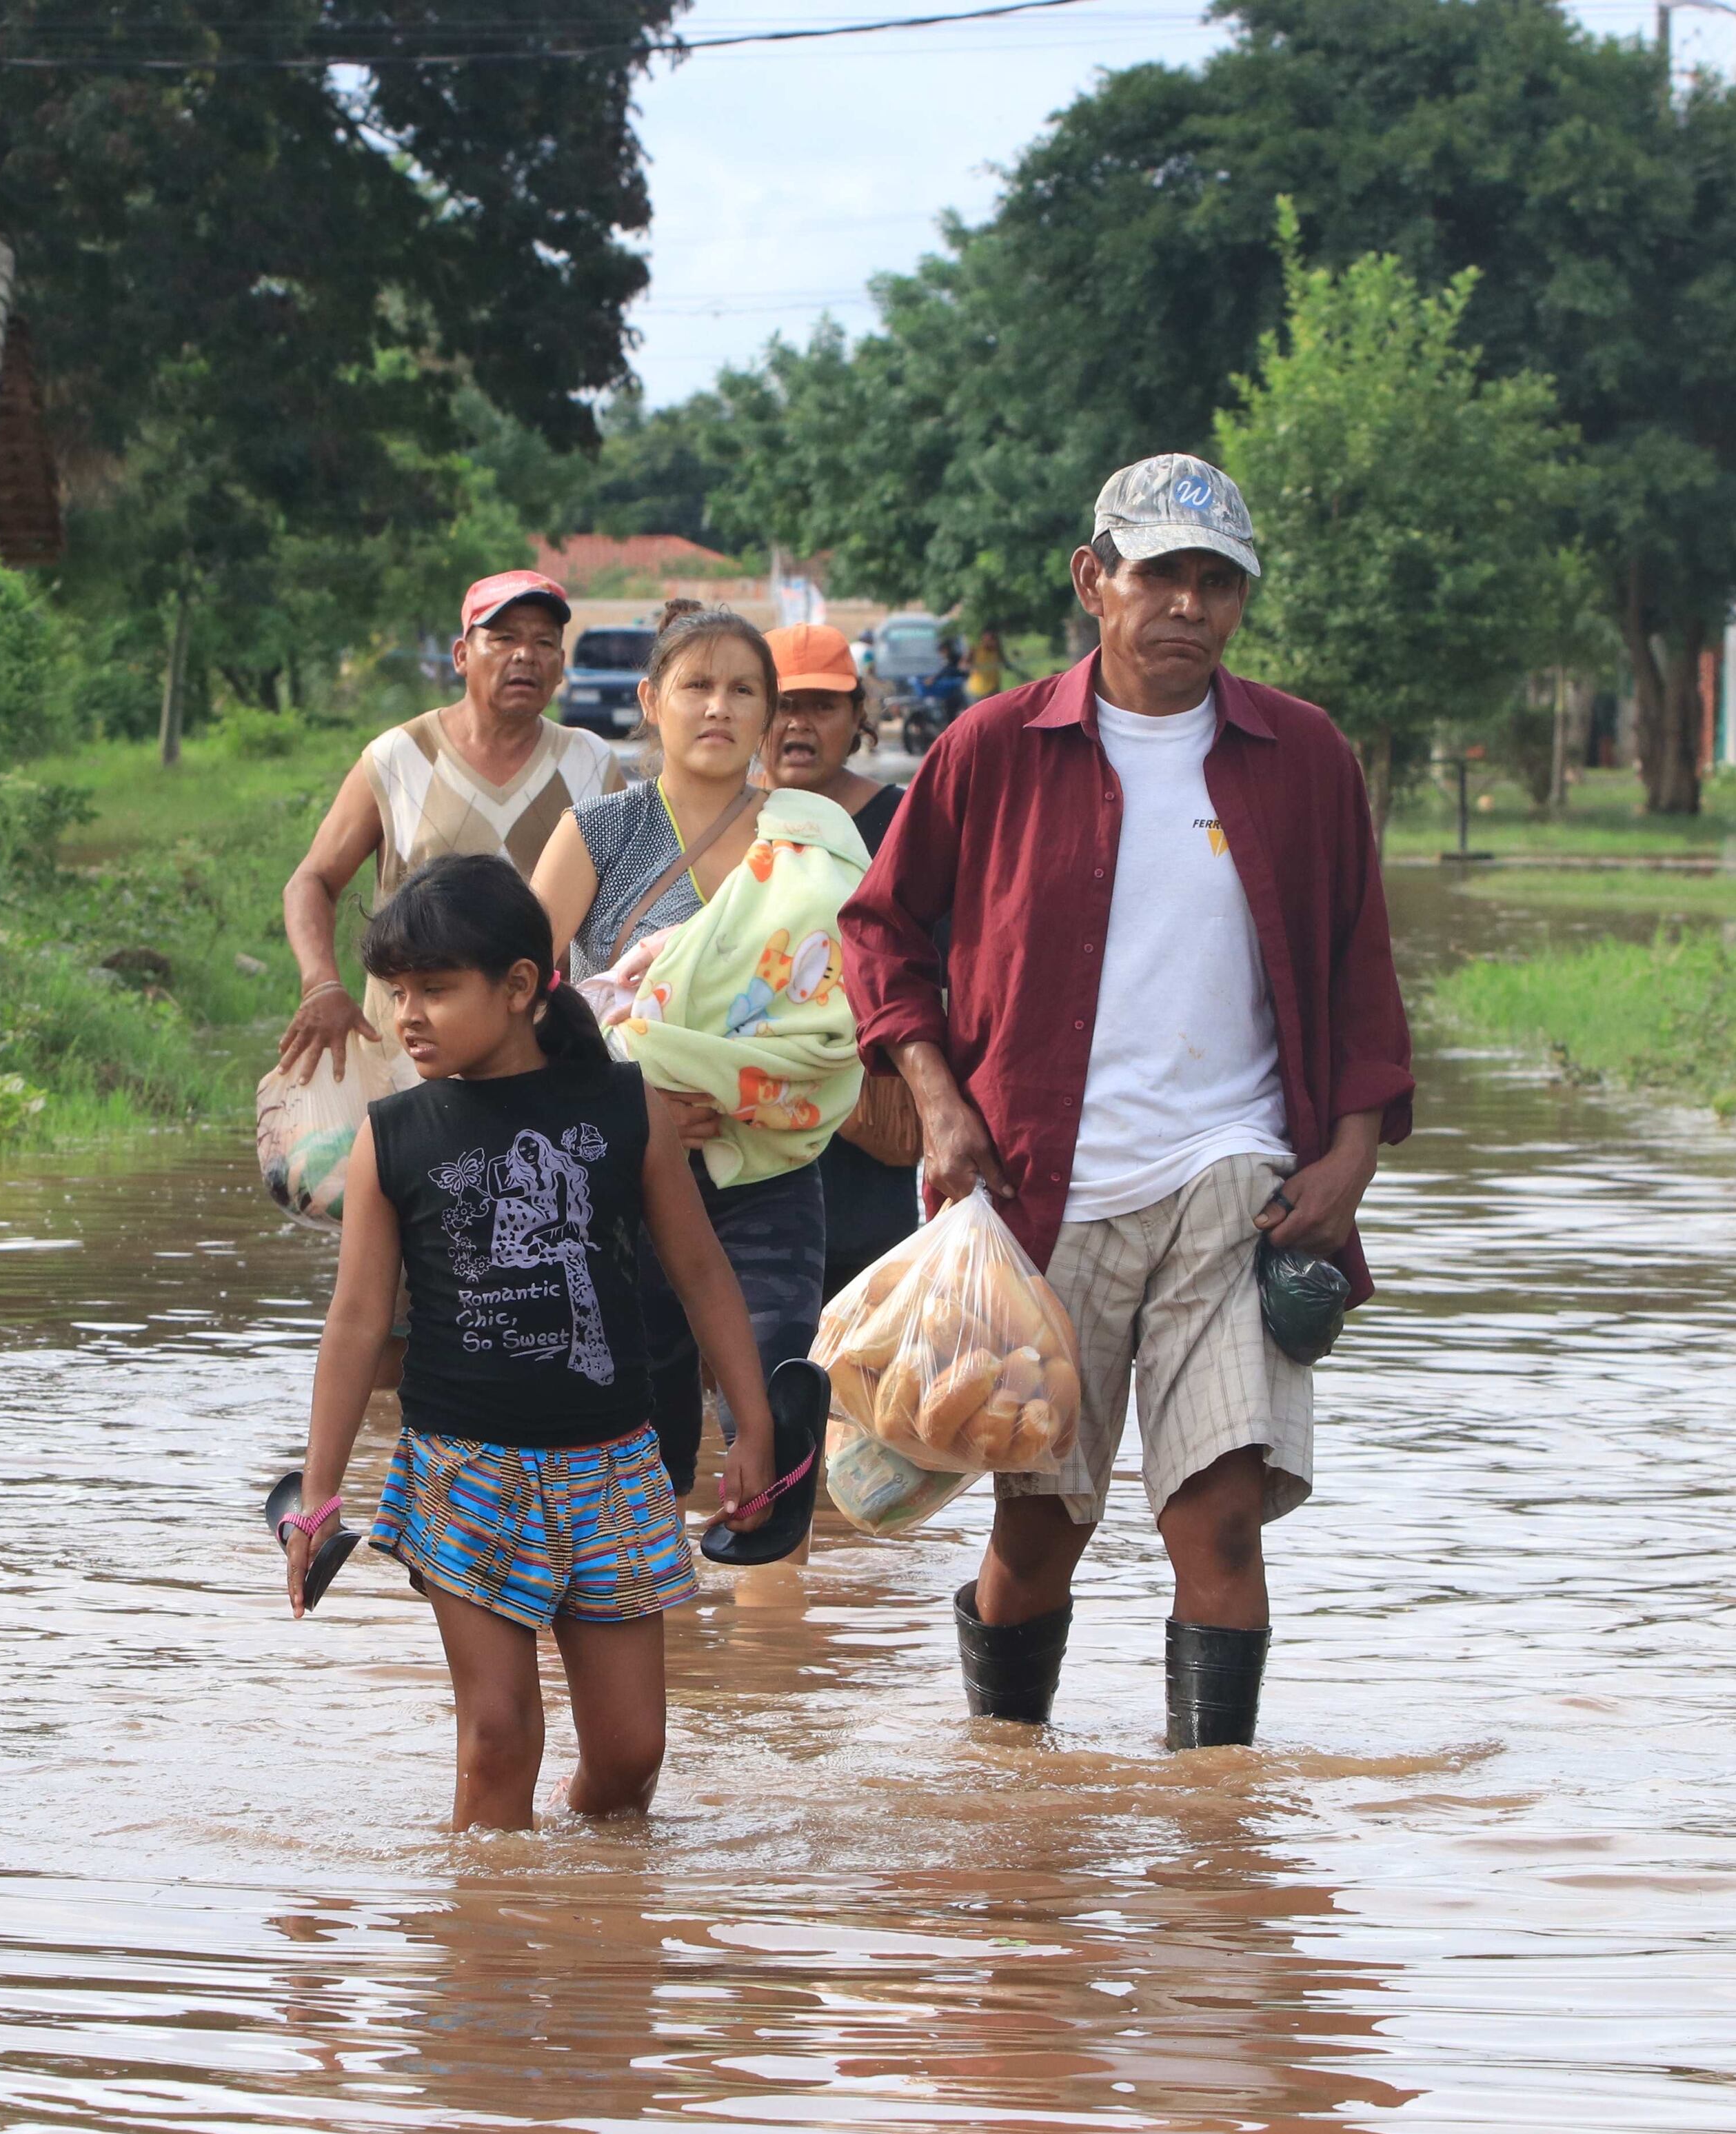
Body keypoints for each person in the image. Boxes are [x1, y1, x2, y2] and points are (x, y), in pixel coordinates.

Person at [842, 452, 1413, 1749]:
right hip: (1045, 1192)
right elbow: (880, 935)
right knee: (1041, 1530)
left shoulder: (1303, 756)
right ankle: (1010, 1792)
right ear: (1094, 581)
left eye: (1219, 585)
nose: (1189, 610)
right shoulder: (995, 749)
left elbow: (1360, 972)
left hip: (1242, 1186)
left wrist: (1354, 1158)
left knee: (1214, 1517)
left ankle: (1216, 1844)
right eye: (1161, 578)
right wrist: (937, 1099)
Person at [279, 856, 774, 1831]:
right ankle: (483, 1958)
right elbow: (357, 1319)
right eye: (397, 992)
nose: (408, 1015)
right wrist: (317, 1493)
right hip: (463, 1468)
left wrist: (751, 1425)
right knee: (499, 1732)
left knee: (632, 1758)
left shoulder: (627, 1108)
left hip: (614, 1466)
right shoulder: (394, 1135)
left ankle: (592, 1924)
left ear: (517, 988)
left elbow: (703, 1272)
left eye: (436, 989)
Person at [529, 606, 865, 1497]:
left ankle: (769, 1613)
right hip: (625, 1174)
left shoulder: (811, 838)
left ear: (768, 714)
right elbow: (519, 1004)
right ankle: (663, 1621)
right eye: (698, 686)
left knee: (776, 1390)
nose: (720, 708)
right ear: (651, 701)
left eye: (744, 690)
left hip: (770, 1169)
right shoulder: (599, 833)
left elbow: (843, 1000)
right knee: (646, 1434)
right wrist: (633, 1109)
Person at [277, 571, 620, 1087]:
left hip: (547, 1065)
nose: (525, 655)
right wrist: (321, 985)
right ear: (462, 655)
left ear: (561, 667)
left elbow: (625, 910)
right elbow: (313, 881)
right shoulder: (398, 758)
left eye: (544, 642)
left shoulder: (593, 763)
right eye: (504, 638)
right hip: (408, 1069)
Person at [755, 622, 921, 1300]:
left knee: (865, 1364)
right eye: (781, 705)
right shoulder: (730, 824)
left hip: (868, 1131)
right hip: (752, 1134)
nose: (798, 724)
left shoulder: (907, 824)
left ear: (857, 718)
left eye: (821, 707)